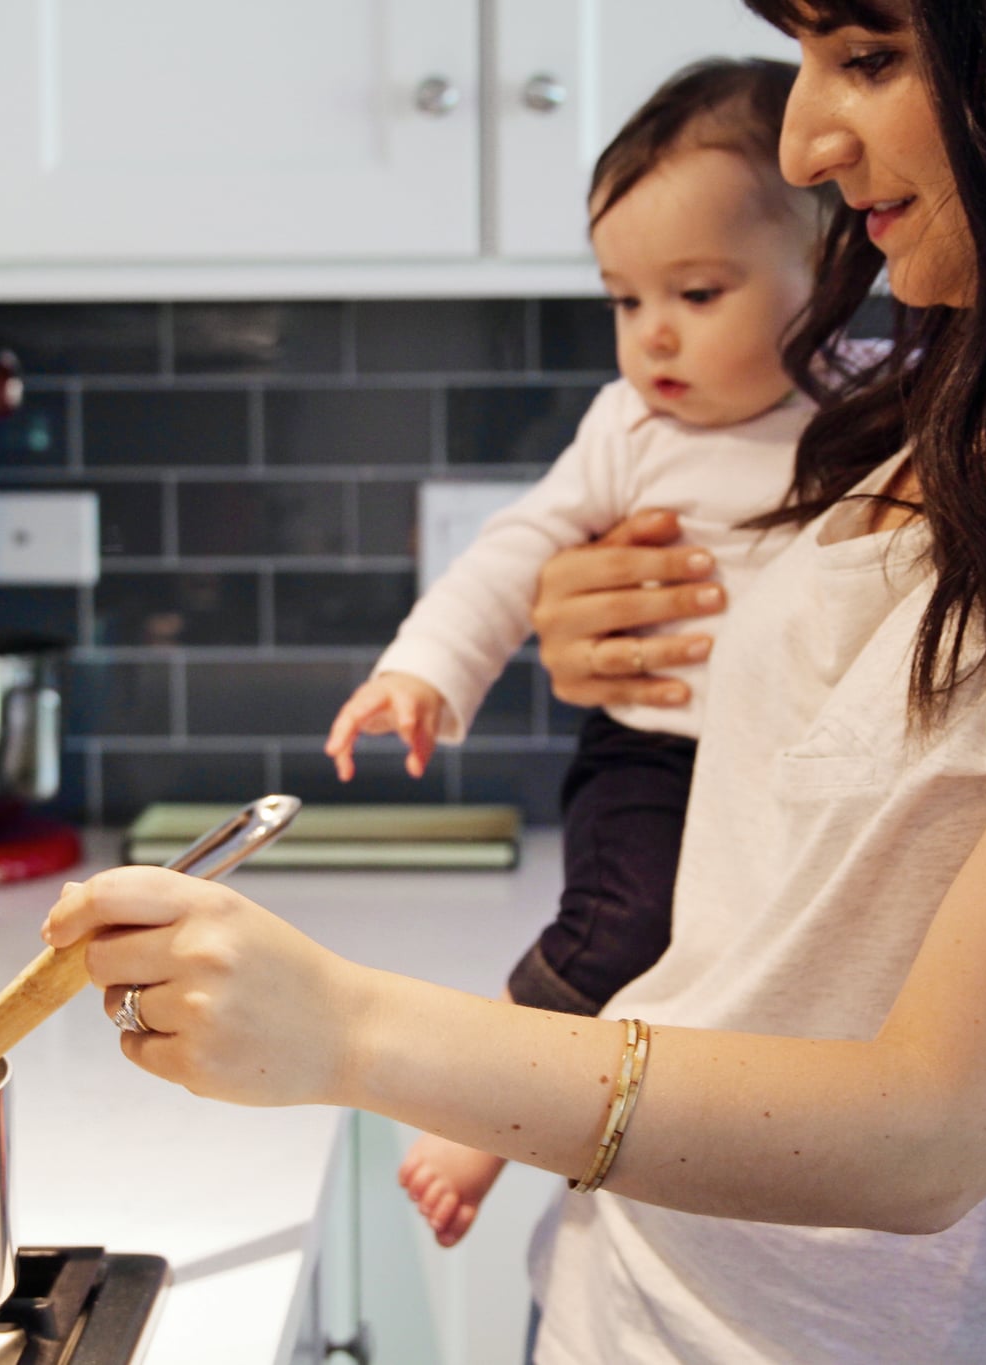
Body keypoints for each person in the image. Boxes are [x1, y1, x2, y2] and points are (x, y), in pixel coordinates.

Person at [45, 0, 986, 1360]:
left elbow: (933, 1126)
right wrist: (620, 644)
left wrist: (350, 1028)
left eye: (869, 58)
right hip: (630, 1290)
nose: (804, 139)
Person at [323, 57, 835, 1248]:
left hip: (784, 778)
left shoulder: (883, 416)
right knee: (621, 927)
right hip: (650, 753)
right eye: (623, 299)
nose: (651, 334)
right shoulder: (629, 429)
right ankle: (488, 1104)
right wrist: (423, 670)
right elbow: (513, 552)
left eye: (697, 293)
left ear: (830, 270)